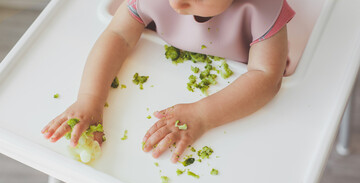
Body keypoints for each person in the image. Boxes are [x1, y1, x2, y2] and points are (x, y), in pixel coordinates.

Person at [41, 0, 295, 163]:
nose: (175, 4)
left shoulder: (263, 8)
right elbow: (118, 35)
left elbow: (266, 77)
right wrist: (89, 99)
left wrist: (203, 115)